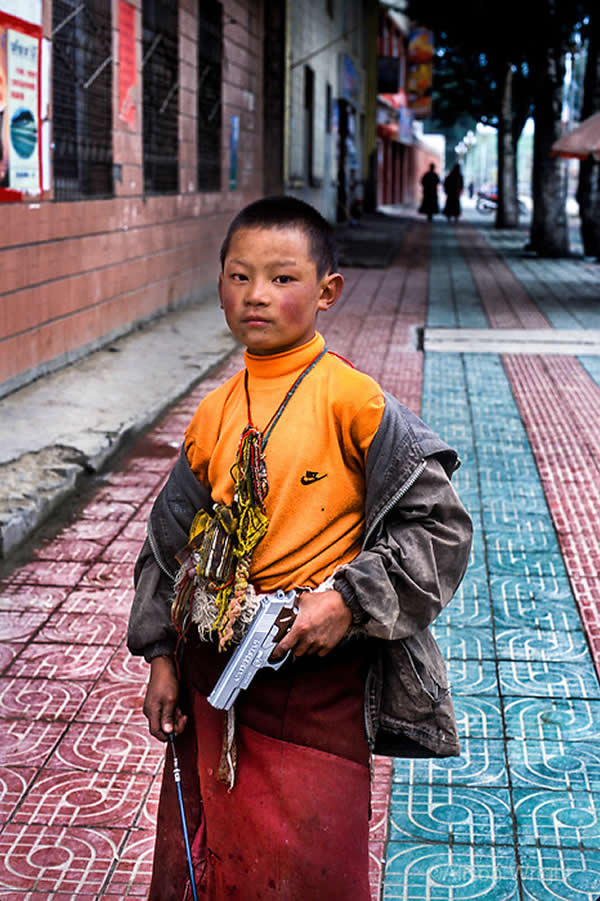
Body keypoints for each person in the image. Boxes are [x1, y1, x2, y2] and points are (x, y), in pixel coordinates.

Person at [128, 195, 473, 900]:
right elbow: (166, 547)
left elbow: (440, 528)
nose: (256, 294)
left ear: (326, 292)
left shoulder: (356, 402)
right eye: (239, 275)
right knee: (211, 862)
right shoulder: (215, 413)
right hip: (213, 681)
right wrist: (160, 656)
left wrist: (347, 603)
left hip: (315, 685)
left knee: (311, 867)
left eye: (283, 278)